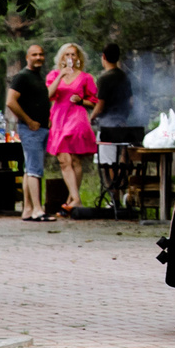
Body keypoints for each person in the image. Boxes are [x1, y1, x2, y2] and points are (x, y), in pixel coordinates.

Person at [46, 42, 101, 218]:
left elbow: (93, 102)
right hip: (59, 117)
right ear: (61, 57)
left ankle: (73, 200)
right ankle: (73, 200)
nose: (70, 58)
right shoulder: (54, 75)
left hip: (77, 117)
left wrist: (81, 101)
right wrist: (60, 76)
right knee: (64, 160)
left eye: (73, 55)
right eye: (67, 54)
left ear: (78, 58)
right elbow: (49, 95)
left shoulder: (85, 77)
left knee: (74, 159)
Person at [5, 44, 52, 221]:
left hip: (41, 128)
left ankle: (28, 209)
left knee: (29, 169)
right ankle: (38, 210)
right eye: (34, 55)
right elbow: (11, 101)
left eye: (41, 54)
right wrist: (28, 120)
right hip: (31, 129)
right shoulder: (22, 77)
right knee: (34, 170)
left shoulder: (38, 77)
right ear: (27, 57)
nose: (39, 57)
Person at [95, 43, 134, 129]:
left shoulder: (104, 79)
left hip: (107, 125)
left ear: (104, 57)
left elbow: (100, 107)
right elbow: (131, 103)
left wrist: (91, 118)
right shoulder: (124, 76)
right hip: (122, 123)